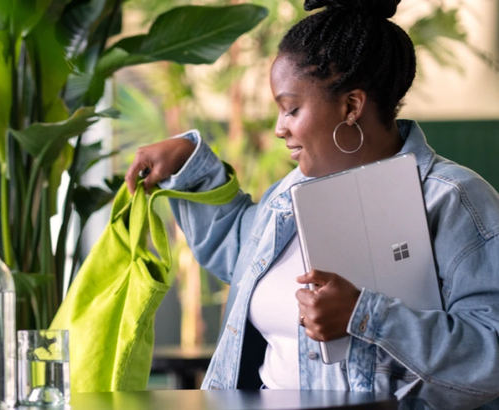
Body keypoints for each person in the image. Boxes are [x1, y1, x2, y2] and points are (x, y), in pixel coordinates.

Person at [125, 0, 499, 408]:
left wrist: (365, 315)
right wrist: (188, 163)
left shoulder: (455, 200)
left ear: (351, 106)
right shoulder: (288, 192)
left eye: (291, 109)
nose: (279, 127)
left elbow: (491, 354)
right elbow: (239, 251)